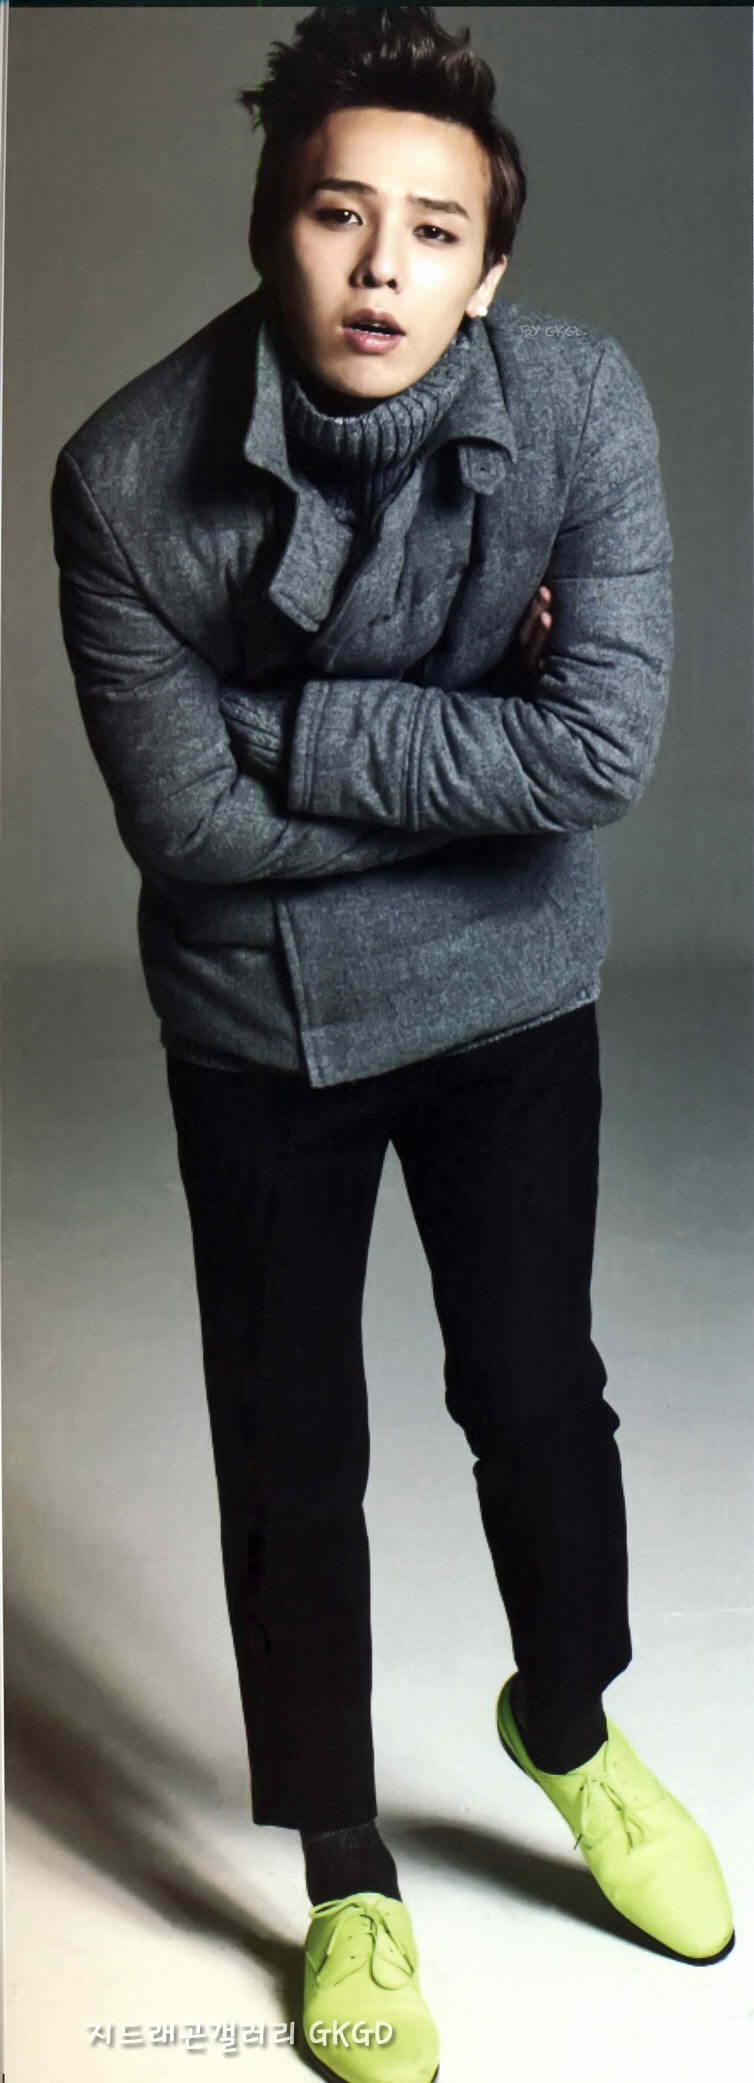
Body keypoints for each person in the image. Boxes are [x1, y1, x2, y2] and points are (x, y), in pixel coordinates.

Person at [50, 7, 734, 2078]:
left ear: (486, 269)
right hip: (255, 1028)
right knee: (290, 1450)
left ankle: (567, 1726)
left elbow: (595, 752)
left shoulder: (580, 406)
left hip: (511, 991)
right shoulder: (124, 479)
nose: (379, 267)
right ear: (269, 227)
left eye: (430, 230)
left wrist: (292, 725)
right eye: (336, 214)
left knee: (533, 1387)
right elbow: (186, 828)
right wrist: (468, 746)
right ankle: (345, 1873)